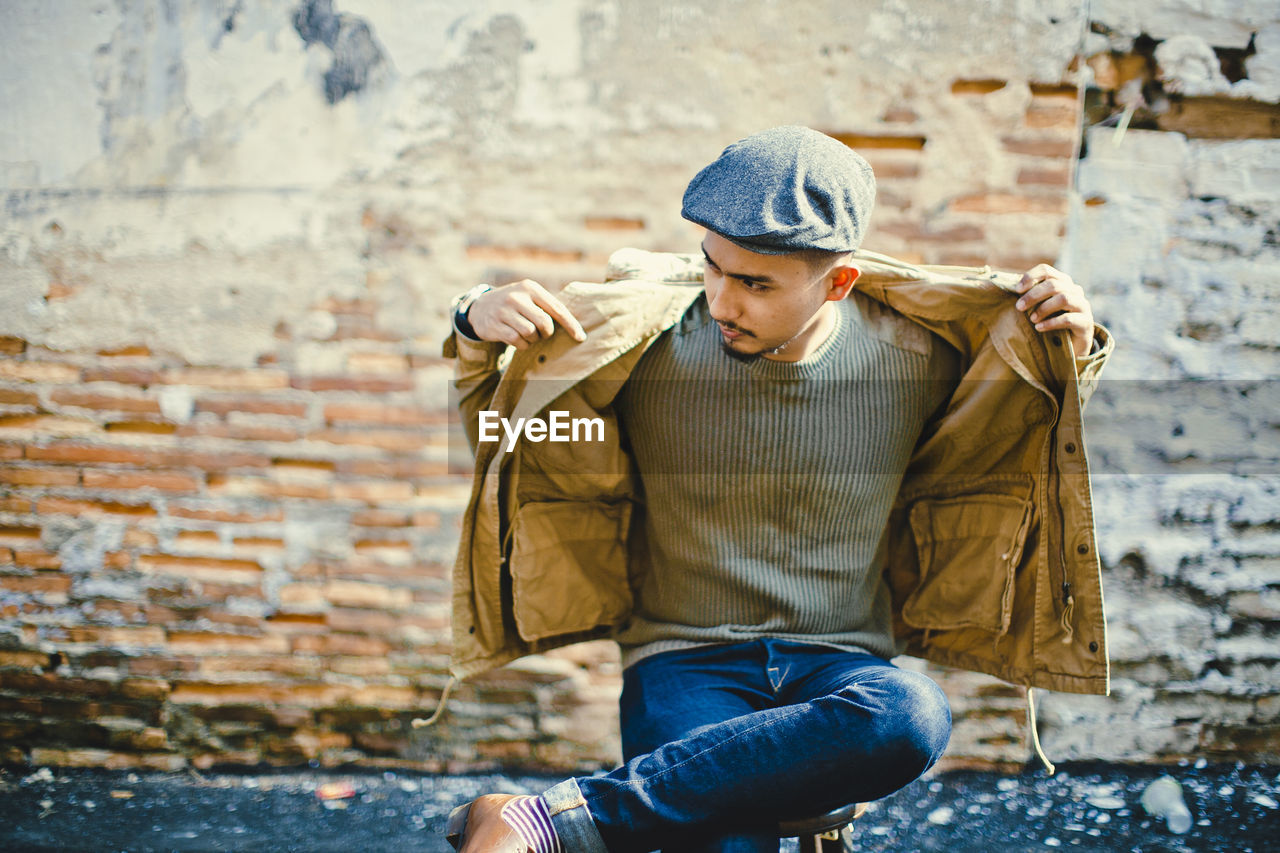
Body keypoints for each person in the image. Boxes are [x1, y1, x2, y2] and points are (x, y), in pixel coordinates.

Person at [441, 126, 1112, 853]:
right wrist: (473, 324)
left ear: (839, 281)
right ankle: (560, 821)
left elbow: (1012, 432)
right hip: (681, 661)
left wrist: (1067, 349)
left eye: (757, 284)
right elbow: (518, 441)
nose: (724, 301)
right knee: (731, 842)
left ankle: (548, 820)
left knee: (912, 715)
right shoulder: (644, 345)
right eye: (714, 268)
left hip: (842, 666)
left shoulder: (916, 355)